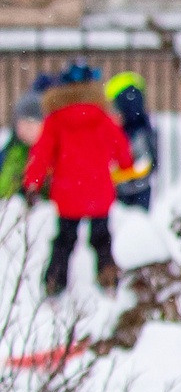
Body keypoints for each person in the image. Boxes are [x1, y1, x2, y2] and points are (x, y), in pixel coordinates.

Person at [22, 71, 134, 297]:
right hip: (98, 191)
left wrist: (32, 182)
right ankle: (108, 278)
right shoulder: (101, 117)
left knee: (64, 240)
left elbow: (41, 154)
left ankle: (55, 282)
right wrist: (126, 167)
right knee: (102, 238)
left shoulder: (55, 120)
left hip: (68, 193)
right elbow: (120, 146)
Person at [101, 71, 158, 210]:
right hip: (126, 189)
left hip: (134, 188)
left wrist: (118, 174)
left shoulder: (137, 132)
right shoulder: (133, 129)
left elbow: (147, 163)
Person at [1, 81, 47, 200]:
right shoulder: (12, 150)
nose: (28, 130)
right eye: (23, 124)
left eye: (32, 124)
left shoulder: (47, 152)